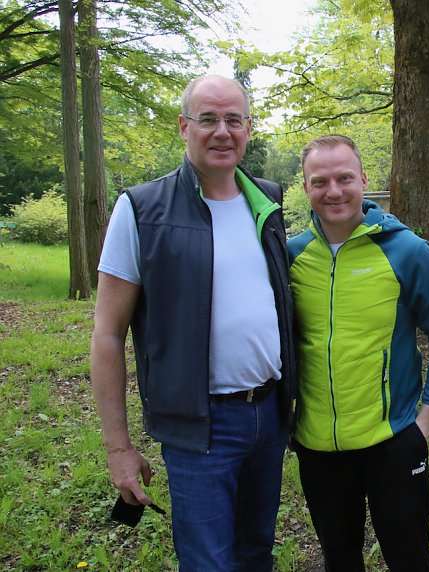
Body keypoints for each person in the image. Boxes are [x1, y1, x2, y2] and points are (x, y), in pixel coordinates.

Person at [90, 75, 297, 571]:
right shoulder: (141, 209)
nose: (222, 131)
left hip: (268, 416)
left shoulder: (266, 202)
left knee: (255, 554)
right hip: (200, 428)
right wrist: (118, 448)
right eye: (208, 119)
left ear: (248, 128)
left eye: (233, 120)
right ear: (184, 127)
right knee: (208, 563)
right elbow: (107, 334)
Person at [287, 134, 429, 571]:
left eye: (345, 178)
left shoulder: (407, 251)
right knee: (340, 561)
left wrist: (425, 421)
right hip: (317, 447)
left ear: (364, 180)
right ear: (306, 187)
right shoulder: (289, 256)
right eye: (320, 181)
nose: (334, 191)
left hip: (393, 441)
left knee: (409, 561)